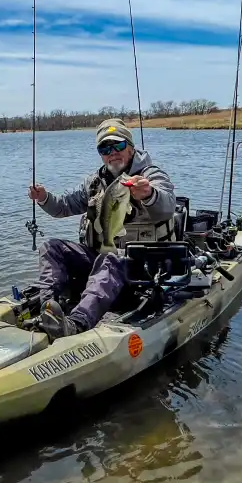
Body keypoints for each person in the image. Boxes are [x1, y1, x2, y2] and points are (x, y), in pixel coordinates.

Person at [26, 118, 177, 339]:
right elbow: (63, 207)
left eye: (118, 145)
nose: (112, 152)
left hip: (142, 268)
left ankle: (77, 323)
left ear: (131, 147)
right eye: (105, 148)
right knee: (51, 247)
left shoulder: (151, 175)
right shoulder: (94, 182)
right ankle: (49, 310)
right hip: (102, 260)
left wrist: (148, 194)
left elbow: (167, 206)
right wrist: (44, 198)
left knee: (110, 259)